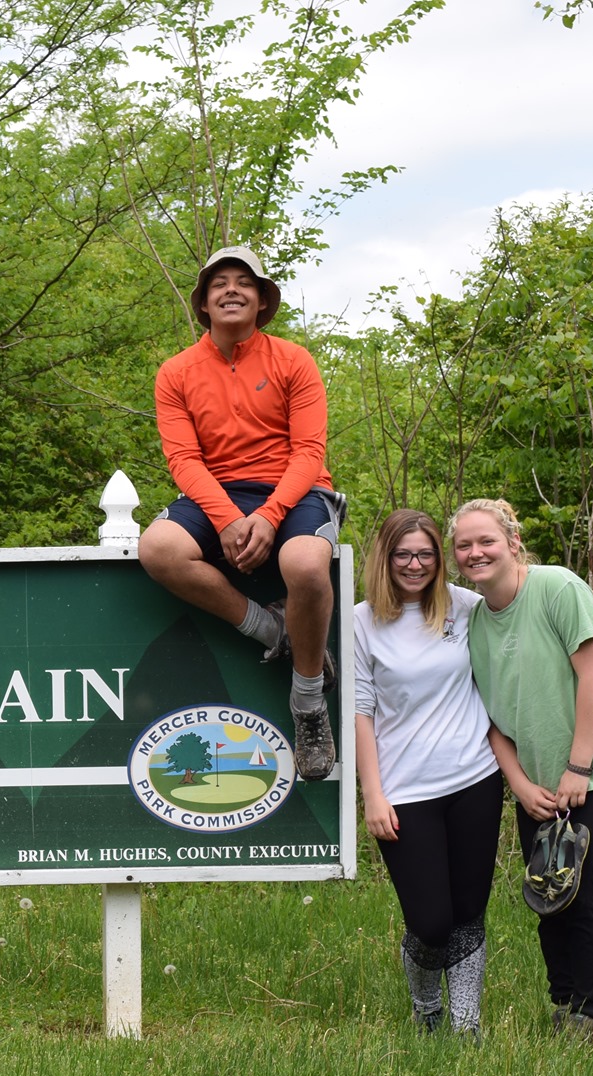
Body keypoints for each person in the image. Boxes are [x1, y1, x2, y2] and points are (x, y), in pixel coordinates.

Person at [136, 245, 344, 781]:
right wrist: (227, 518)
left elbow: (309, 453)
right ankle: (272, 631)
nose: (231, 289)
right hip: (217, 494)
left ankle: (308, 703)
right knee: (158, 548)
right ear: (204, 303)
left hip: (295, 492)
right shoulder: (176, 372)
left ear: (261, 300)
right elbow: (182, 458)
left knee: (303, 566)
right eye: (219, 283)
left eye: (244, 282)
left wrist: (271, 515)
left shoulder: (293, 360)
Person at [451, 497, 593, 1039]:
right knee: (548, 889)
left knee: (584, 884)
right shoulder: (471, 621)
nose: (476, 553)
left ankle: (592, 1015)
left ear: (512, 541)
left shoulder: (558, 588)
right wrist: (520, 784)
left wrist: (579, 768)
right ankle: (562, 1000)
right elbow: (488, 720)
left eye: (486, 541)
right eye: (464, 545)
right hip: (537, 779)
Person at [352, 509, 500, 1036]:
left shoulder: (465, 608)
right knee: (431, 921)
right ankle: (426, 1007)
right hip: (405, 790)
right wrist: (373, 795)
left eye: (426, 554)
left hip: (475, 779)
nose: (415, 565)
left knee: (469, 912)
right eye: (403, 554)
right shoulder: (361, 622)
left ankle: (465, 1026)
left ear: (440, 559)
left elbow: (522, 603)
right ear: (385, 558)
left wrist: (588, 599)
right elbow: (359, 711)